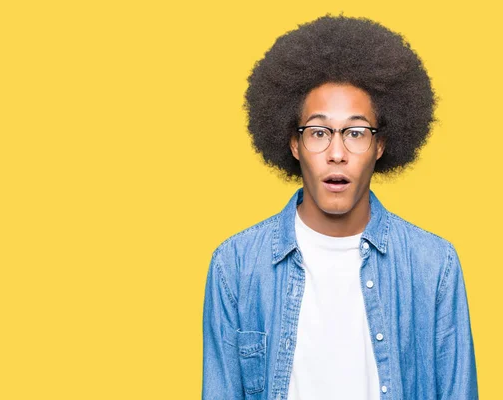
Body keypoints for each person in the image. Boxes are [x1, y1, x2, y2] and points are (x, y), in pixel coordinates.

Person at [202, 15, 478, 400]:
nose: (336, 153)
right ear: (294, 144)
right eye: (318, 132)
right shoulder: (235, 266)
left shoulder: (435, 266)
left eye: (355, 132)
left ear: (381, 145)